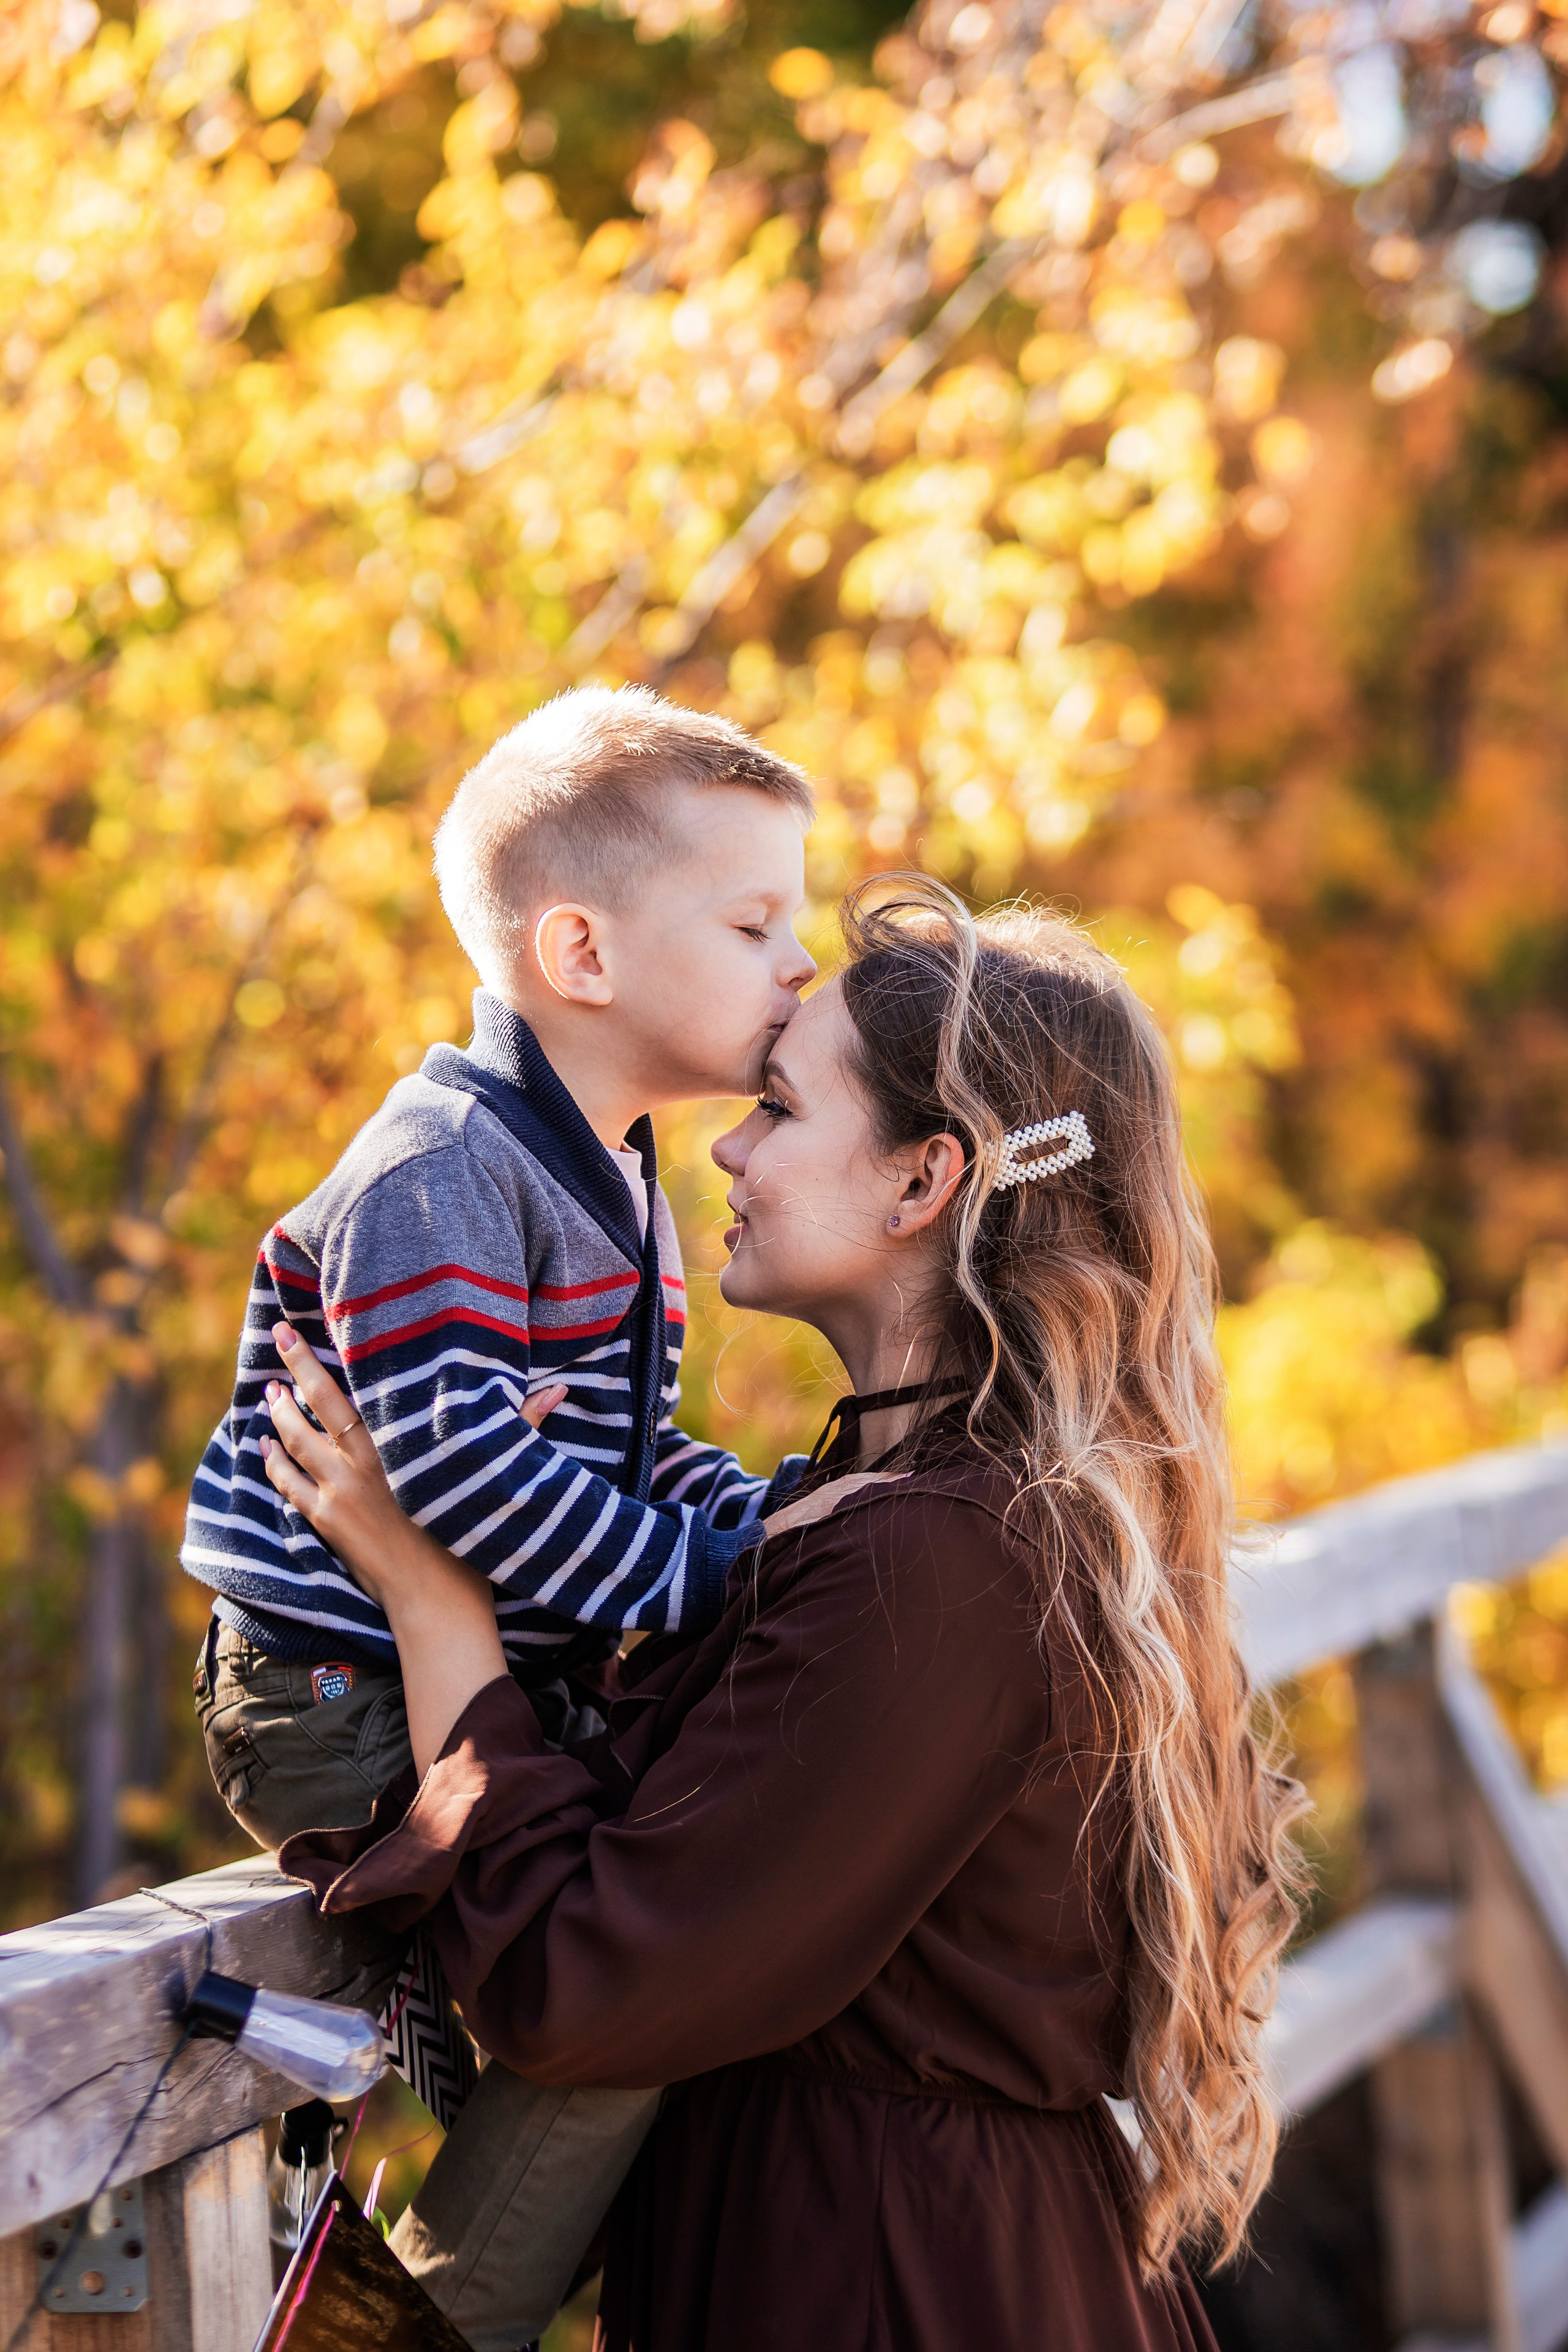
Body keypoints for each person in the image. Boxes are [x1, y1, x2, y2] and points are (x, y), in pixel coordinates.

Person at [263, 880, 1305, 2352]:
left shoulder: (945, 1559)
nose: (728, 1146)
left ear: (919, 1181)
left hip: (890, 2284)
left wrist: (437, 1605)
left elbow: (588, 1983)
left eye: (777, 1109)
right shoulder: (909, 1501)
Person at [181, 684, 821, 2345]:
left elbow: (619, 1449)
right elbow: (464, 1480)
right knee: (607, 1992)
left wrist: (764, 1520)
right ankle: (389, 2310)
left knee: (615, 2003)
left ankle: (411, 2247)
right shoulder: (441, 1173)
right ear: (583, 957)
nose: (799, 965)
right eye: (756, 922)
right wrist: (701, 1576)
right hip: (332, 1696)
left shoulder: (611, 1181)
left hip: (439, 1679)